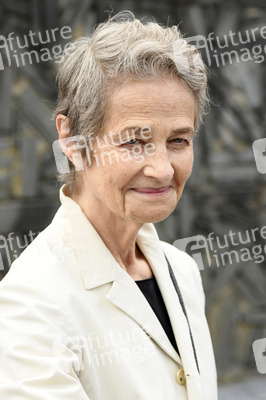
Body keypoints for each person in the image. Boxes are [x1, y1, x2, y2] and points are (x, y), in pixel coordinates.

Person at [0, 11, 217, 400]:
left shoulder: (181, 268)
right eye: (134, 141)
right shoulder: (31, 302)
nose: (162, 169)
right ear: (72, 141)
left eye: (179, 141)